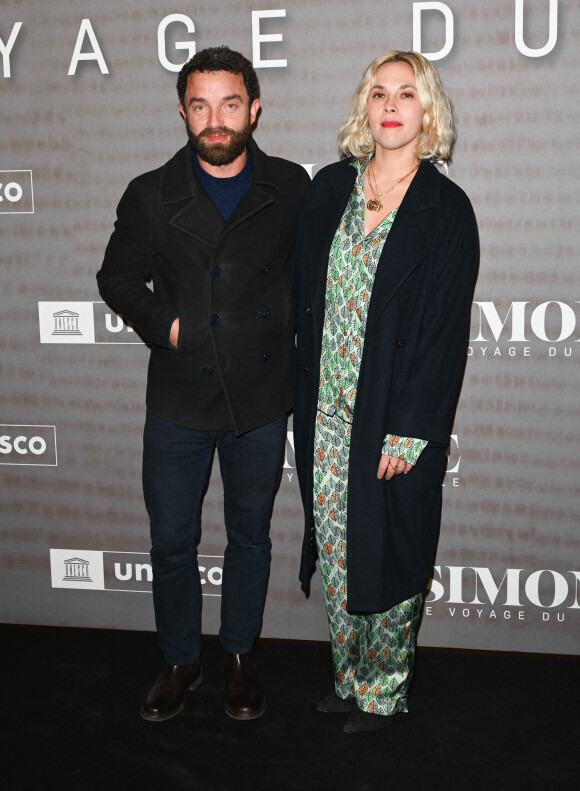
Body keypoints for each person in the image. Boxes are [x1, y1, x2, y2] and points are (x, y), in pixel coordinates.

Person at [97, 46, 310, 722]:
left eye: (228, 103)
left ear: (253, 107)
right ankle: (181, 658)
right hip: (181, 396)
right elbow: (117, 278)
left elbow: (314, 280)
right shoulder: (150, 193)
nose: (214, 120)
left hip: (260, 395)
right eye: (199, 105)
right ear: (183, 111)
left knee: (249, 532)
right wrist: (173, 327)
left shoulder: (292, 189)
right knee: (171, 538)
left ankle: (239, 655)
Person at [293, 50, 478, 733]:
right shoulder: (328, 189)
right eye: (379, 93)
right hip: (325, 409)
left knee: (391, 545)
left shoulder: (446, 209)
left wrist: (411, 425)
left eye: (407, 93)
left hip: (390, 415)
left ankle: (383, 686)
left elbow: (442, 331)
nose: (392, 104)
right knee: (339, 547)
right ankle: (347, 676)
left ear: (427, 110)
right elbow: (302, 294)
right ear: (364, 109)